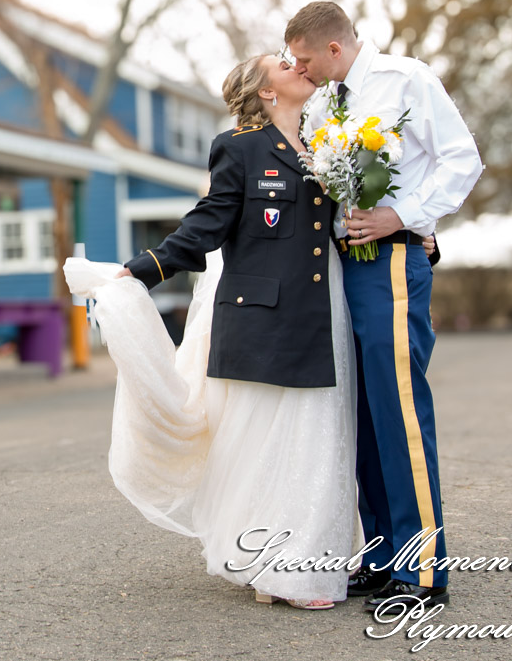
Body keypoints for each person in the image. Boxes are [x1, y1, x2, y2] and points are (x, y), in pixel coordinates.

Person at [69, 53, 435, 609]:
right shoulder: (239, 148)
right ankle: (272, 567)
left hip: (324, 313)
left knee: (317, 442)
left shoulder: (328, 140)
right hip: (262, 317)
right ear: (267, 91)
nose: (298, 67)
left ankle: (307, 562)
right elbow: (207, 222)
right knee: (268, 444)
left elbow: (361, 212)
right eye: (284, 64)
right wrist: (141, 267)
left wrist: (420, 236)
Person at [284, 1, 483, 611]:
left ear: (335, 49)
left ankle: (424, 571)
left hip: (393, 262)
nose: (301, 68)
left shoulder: (407, 81)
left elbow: (462, 160)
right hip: (344, 268)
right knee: (365, 416)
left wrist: (406, 215)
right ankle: (381, 557)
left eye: (306, 58)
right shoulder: (322, 104)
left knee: (398, 412)